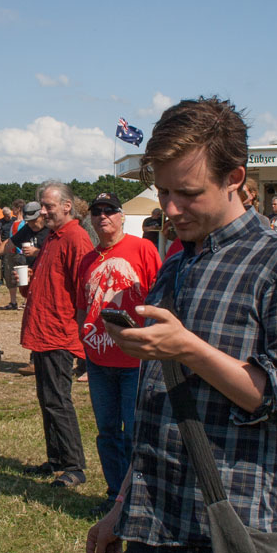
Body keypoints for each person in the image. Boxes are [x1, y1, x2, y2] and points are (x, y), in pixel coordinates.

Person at [85, 96, 277, 553]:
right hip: (151, 535)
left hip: (228, 542)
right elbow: (158, 410)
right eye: (163, 191)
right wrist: (122, 508)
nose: (170, 207)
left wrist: (189, 349)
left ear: (235, 178)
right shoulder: (176, 263)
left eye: (187, 192)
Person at [75, 191, 161, 510]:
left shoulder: (143, 248)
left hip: (135, 360)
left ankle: (139, 497)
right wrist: (85, 339)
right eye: (97, 212)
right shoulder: (88, 260)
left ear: (121, 216)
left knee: (135, 431)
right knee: (107, 431)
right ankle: (115, 495)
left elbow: (159, 296)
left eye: (109, 210)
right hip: (98, 360)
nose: (103, 217)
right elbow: (82, 306)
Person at [19, 181, 93, 488]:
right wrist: (28, 280)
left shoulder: (75, 237)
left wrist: (80, 334)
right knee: (47, 398)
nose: (43, 211)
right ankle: (57, 459)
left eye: (48, 206)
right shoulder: (52, 237)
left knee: (58, 400)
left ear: (67, 206)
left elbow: (84, 289)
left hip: (59, 333)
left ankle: (74, 466)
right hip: (44, 330)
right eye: (42, 206)